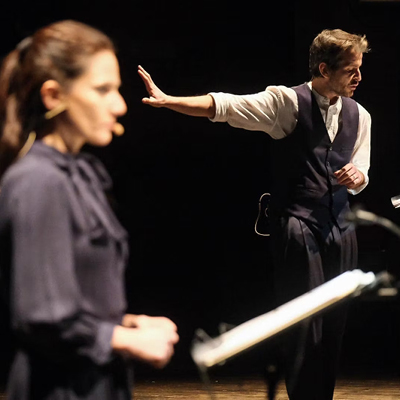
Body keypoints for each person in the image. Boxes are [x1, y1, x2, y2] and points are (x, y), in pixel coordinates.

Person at [138, 29, 371, 400]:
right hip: (299, 224)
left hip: (341, 227)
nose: (359, 77)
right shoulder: (287, 102)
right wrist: (169, 101)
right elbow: (226, 106)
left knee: (335, 322)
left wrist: (358, 177)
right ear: (324, 69)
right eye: (350, 70)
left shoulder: (360, 115)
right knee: (303, 320)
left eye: (359, 68)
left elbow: (362, 170)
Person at [0, 20, 179, 400]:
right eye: (102, 90)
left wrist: (129, 323)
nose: (120, 105)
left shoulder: (81, 174)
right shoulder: (38, 181)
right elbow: (41, 314)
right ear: (53, 95)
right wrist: (124, 340)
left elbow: (74, 298)